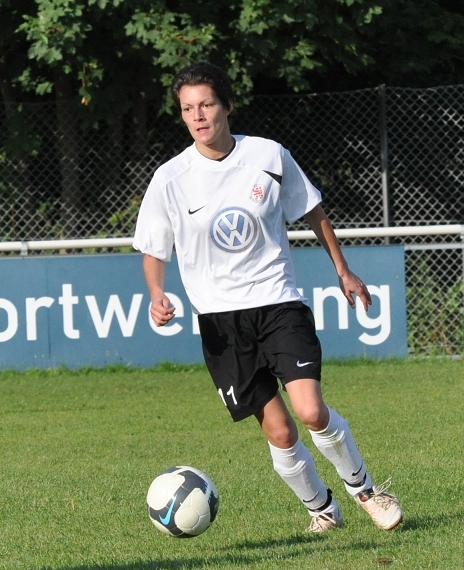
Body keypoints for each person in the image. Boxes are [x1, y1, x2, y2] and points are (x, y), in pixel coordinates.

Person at [133, 61, 402, 533]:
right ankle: (322, 510)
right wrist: (157, 292)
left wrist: (343, 270)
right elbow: (155, 249)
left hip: (278, 303)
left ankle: (366, 492)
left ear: (227, 105)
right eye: (188, 109)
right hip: (220, 323)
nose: (198, 116)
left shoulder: (268, 156)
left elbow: (312, 210)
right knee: (280, 430)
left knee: (311, 410)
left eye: (206, 105)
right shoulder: (170, 178)